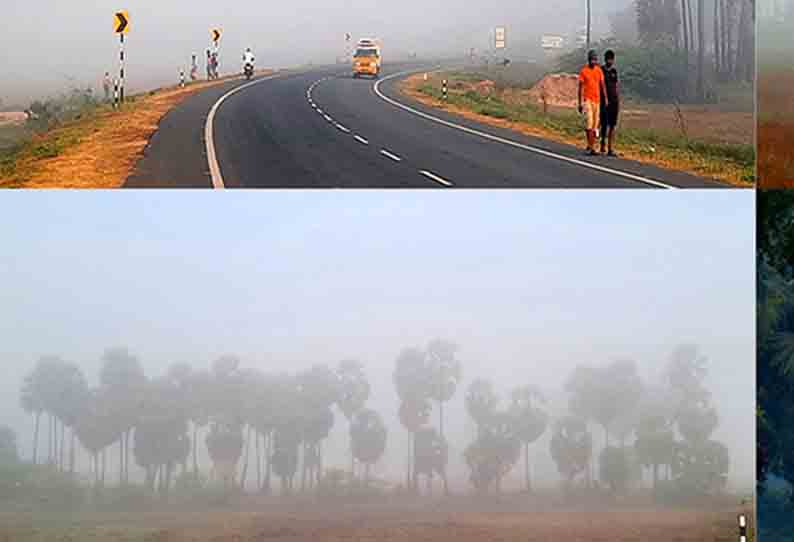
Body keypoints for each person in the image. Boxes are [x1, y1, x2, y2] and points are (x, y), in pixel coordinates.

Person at [577, 50, 609, 156]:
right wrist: (580, 103)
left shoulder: (599, 70)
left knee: (595, 125)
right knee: (589, 123)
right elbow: (580, 88)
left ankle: (591, 144)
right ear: (588, 60)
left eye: (595, 60)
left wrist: (606, 98)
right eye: (592, 59)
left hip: (597, 100)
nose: (593, 61)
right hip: (588, 100)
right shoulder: (584, 71)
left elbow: (602, 85)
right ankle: (591, 147)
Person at [599, 50, 620, 156]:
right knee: (604, 124)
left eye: (612, 59)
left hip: (614, 101)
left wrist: (617, 98)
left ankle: (610, 148)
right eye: (608, 59)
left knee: (612, 125)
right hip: (604, 101)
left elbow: (616, 85)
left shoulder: (614, 71)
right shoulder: (601, 70)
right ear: (605, 59)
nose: (610, 61)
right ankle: (602, 143)